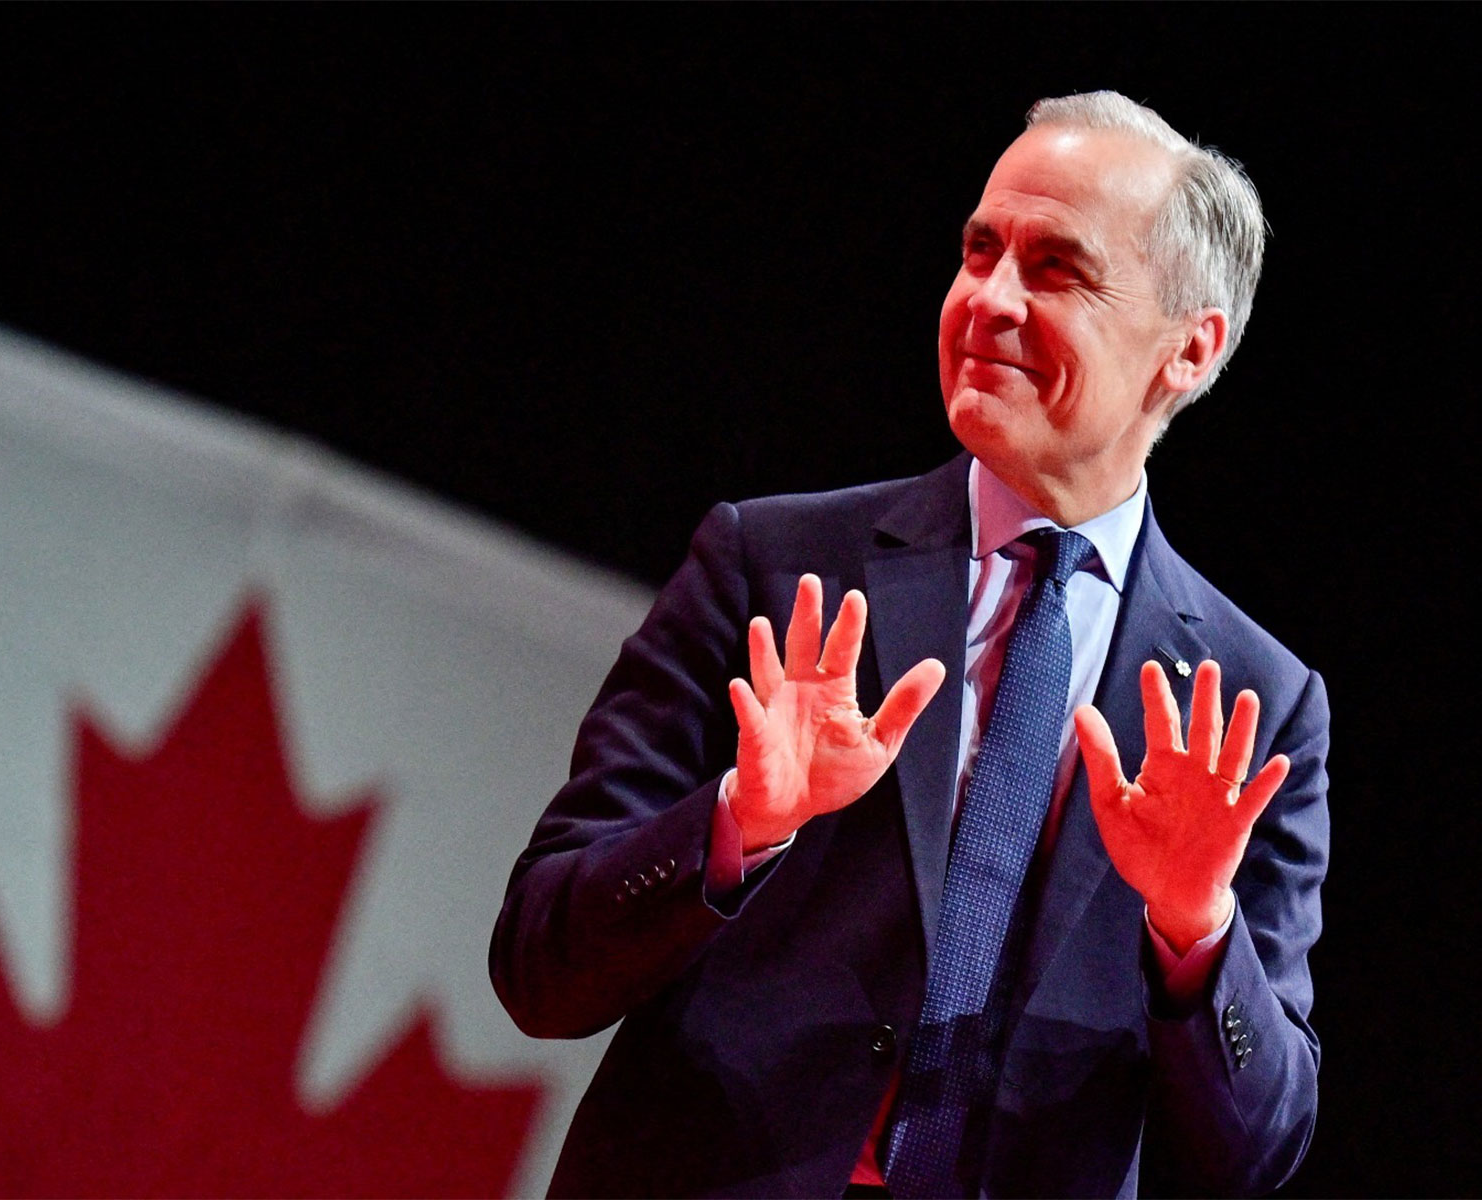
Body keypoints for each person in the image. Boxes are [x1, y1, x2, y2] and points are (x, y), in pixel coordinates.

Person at [490, 91, 1327, 1199]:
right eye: (979, 251)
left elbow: (1257, 1152)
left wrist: (1194, 928)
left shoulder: (1252, 704)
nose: (987, 300)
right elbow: (538, 968)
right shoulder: (773, 565)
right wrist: (740, 827)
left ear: (1187, 351)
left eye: (1056, 269)